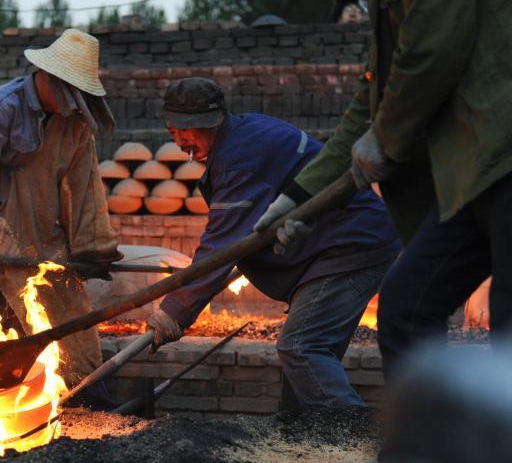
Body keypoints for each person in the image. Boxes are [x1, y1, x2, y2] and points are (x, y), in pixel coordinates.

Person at [254, 0, 512, 377]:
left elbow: (433, 44)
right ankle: (429, 425)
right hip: (475, 168)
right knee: (408, 309)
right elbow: (376, 91)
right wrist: (300, 196)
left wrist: (386, 134)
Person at [146, 77, 402, 412]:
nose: (180, 140)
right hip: (333, 245)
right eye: (173, 131)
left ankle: (350, 433)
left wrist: (173, 312)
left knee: (301, 347)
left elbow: (220, 248)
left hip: (350, 246)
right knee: (308, 359)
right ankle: (297, 429)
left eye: (186, 131)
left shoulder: (239, 160)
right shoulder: (245, 131)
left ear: (212, 123)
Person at [0, 28, 123, 388]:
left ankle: (79, 393)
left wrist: (92, 248)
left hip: (42, 235)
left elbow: (84, 186)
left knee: (67, 321)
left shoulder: (75, 122)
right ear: (49, 78)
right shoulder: (2, 107)